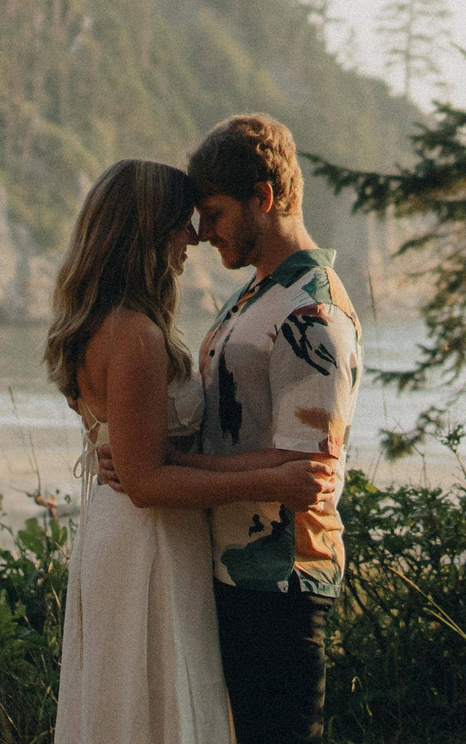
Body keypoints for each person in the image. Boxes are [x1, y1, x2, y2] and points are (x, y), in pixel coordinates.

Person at [48, 158, 340, 744]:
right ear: (149, 229)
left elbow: (155, 463)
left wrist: (280, 465)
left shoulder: (113, 322)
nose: (195, 236)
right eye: (184, 222)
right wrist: (271, 482)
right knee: (154, 713)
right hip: (147, 539)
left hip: (136, 532)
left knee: (142, 708)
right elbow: (150, 481)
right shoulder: (134, 334)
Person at [184, 114, 365, 744]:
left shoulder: (311, 313)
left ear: (264, 198)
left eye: (214, 214)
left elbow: (306, 477)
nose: (203, 233)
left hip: (280, 582)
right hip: (237, 572)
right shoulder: (260, 294)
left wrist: (167, 473)